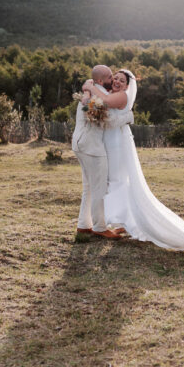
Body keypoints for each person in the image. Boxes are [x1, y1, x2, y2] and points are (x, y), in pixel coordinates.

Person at [83, 69, 184, 259]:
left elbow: (104, 100)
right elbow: (99, 99)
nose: (117, 82)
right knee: (117, 181)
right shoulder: (110, 92)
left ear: (128, 86)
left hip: (117, 144)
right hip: (111, 140)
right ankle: (124, 221)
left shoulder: (120, 96)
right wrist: (88, 90)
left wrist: (89, 86)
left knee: (118, 180)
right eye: (115, 78)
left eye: (122, 80)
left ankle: (125, 221)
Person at [72, 65, 133, 239]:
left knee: (89, 187)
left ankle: (84, 225)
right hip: (91, 146)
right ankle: (99, 227)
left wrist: (87, 88)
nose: (113, 80)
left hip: (80, 143)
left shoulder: (92, 90)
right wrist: (128, 117)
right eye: (110, 77)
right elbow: (109, 121)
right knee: (99, 188)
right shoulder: (97, 95)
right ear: (100, 80)